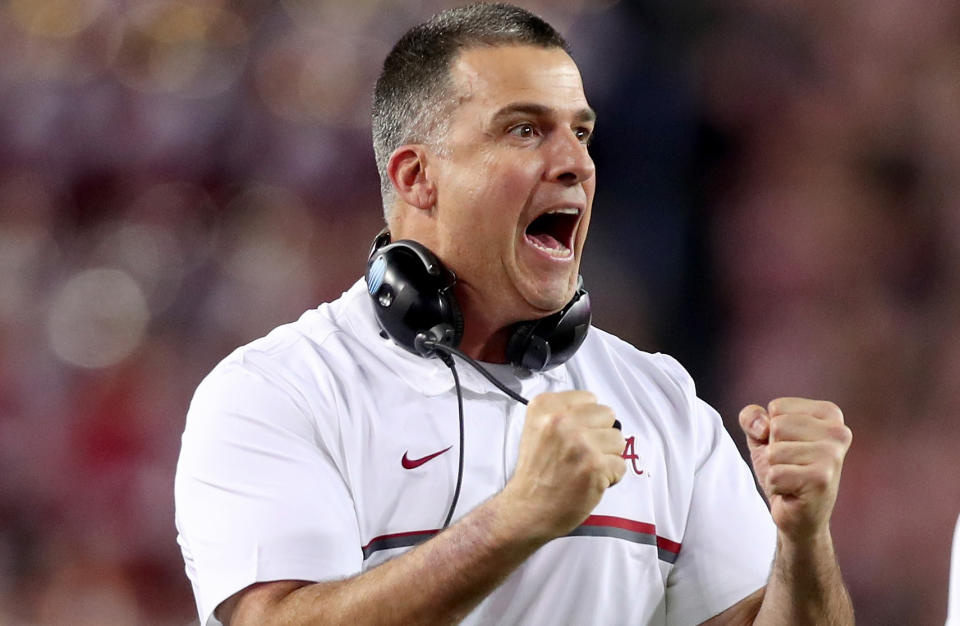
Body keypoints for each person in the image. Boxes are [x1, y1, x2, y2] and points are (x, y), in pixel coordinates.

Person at [174, 4, 854, 625]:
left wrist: (803, 536)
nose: (575, 164)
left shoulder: (662, 403)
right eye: (525, 130)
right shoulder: (279, 391)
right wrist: (513, 521)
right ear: (417, 178)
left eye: (581, 134)